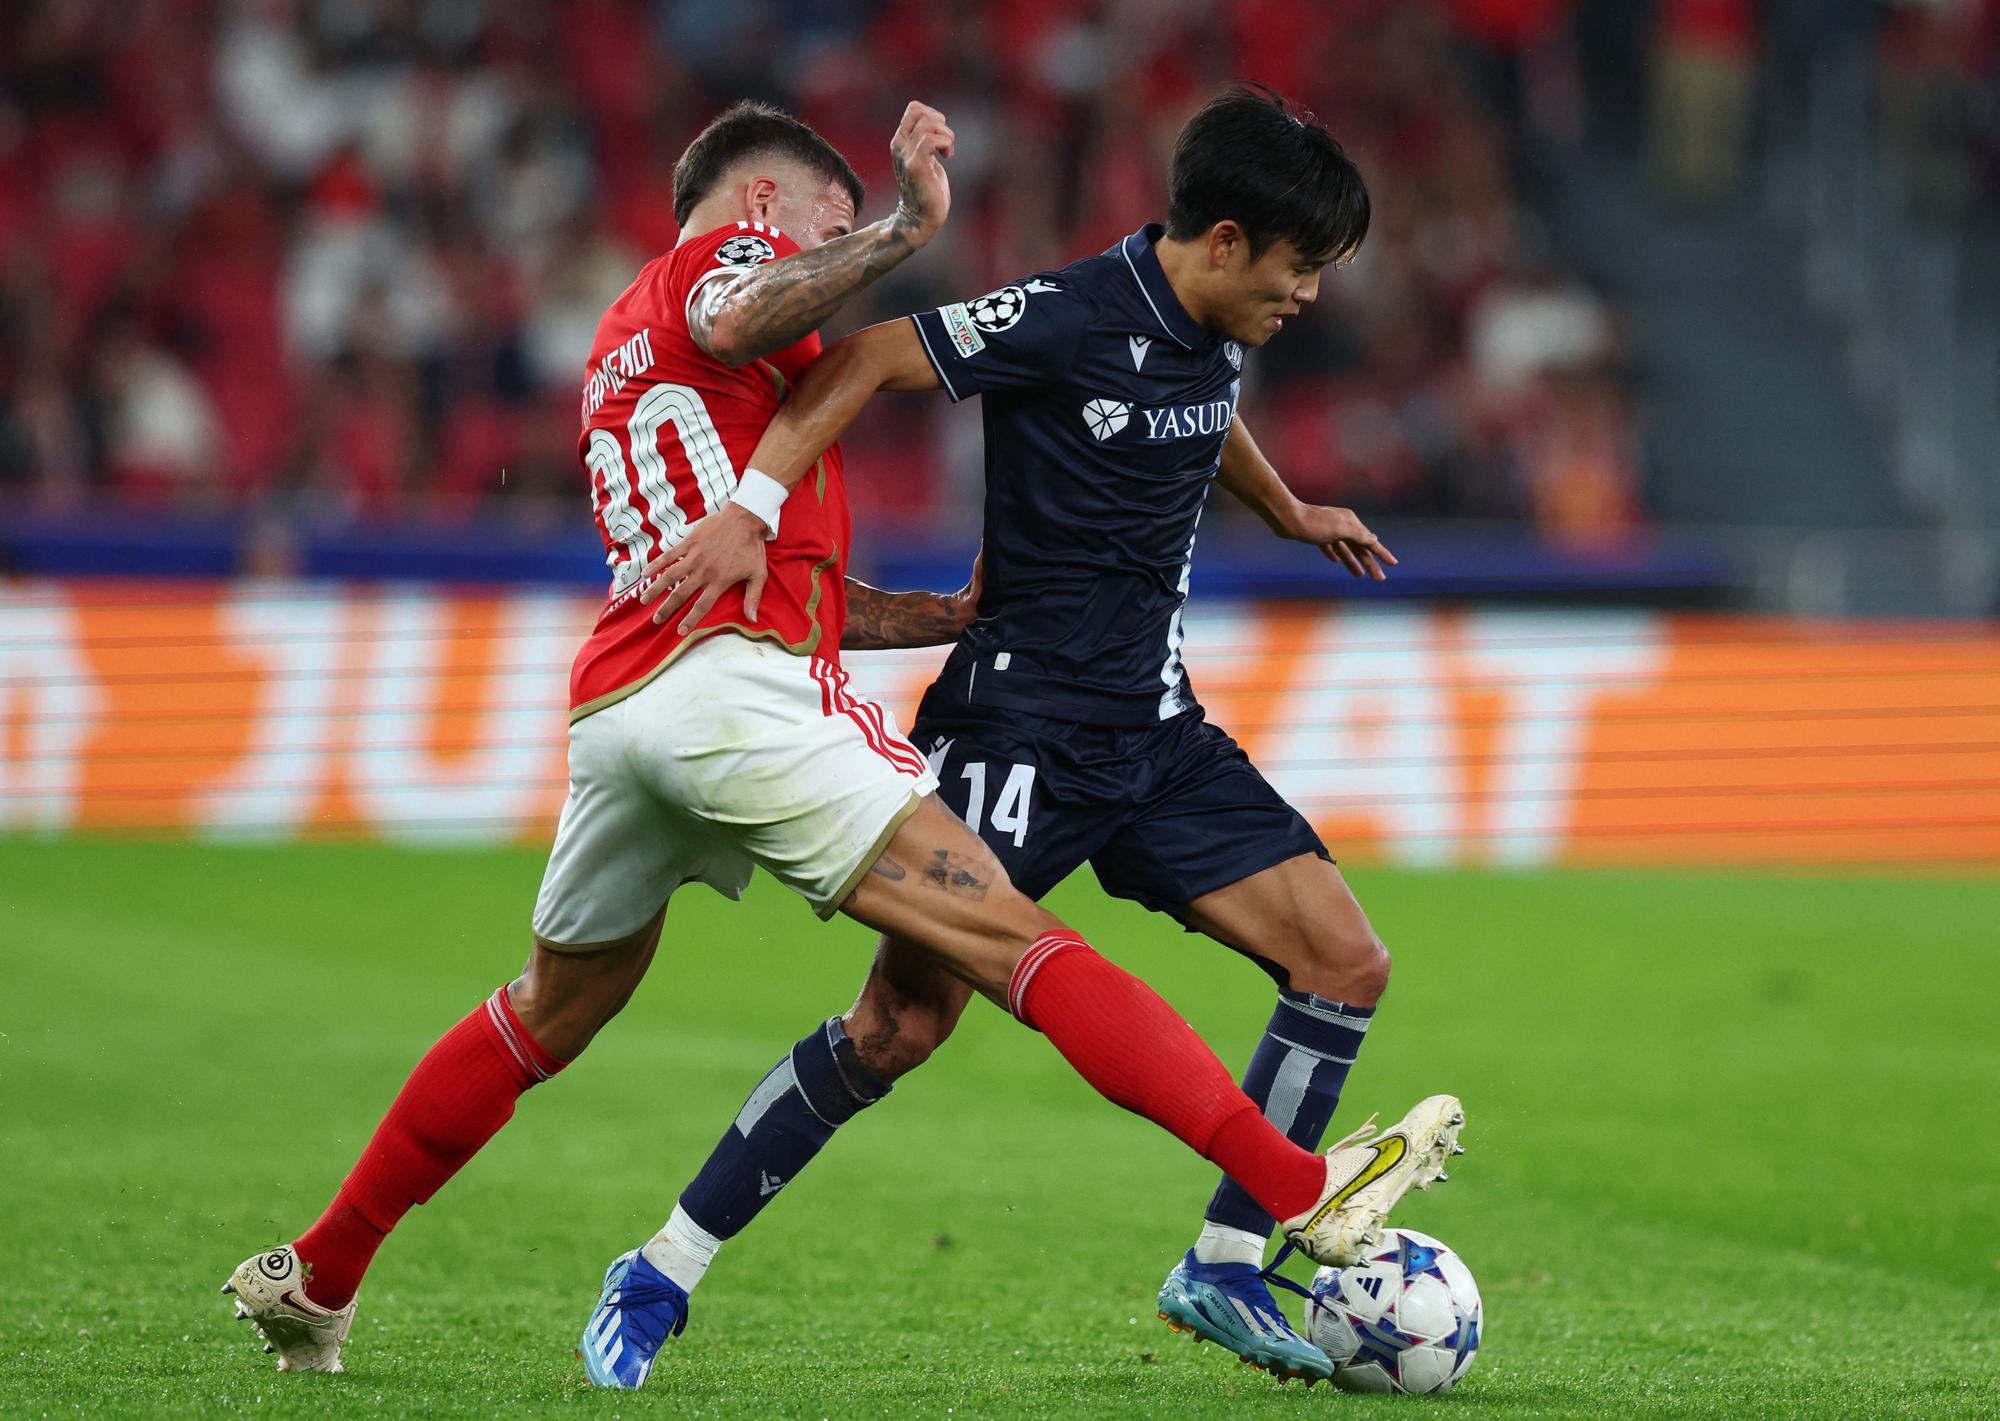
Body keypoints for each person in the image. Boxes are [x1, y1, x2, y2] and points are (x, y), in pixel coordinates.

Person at [219, 96, 1463, 1379]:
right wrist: (898, 225)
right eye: (815, 219)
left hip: (651, 702)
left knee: (544, 1010)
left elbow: (792, 550)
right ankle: (1297, 1187)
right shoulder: (729, 273)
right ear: (767, 209)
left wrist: (1275, 508)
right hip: (846, 712)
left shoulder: (626, 359)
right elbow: (770, 322)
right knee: (964, 983)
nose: (811, 259)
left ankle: (318, 1271)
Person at [588, 87, 1464, 1390]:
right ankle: (664, 1263)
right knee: (896, 1029)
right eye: (1297, 271)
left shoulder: (1214, 330)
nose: (1309, 298)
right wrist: (758, 506)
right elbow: (874, 355)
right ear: (1224, 244)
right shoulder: (1066, 316)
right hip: (1019, 737)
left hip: (1157, 737)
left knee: (1345, 962)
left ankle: (1224, 1267)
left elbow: (1195, 407)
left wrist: (1283, 508)